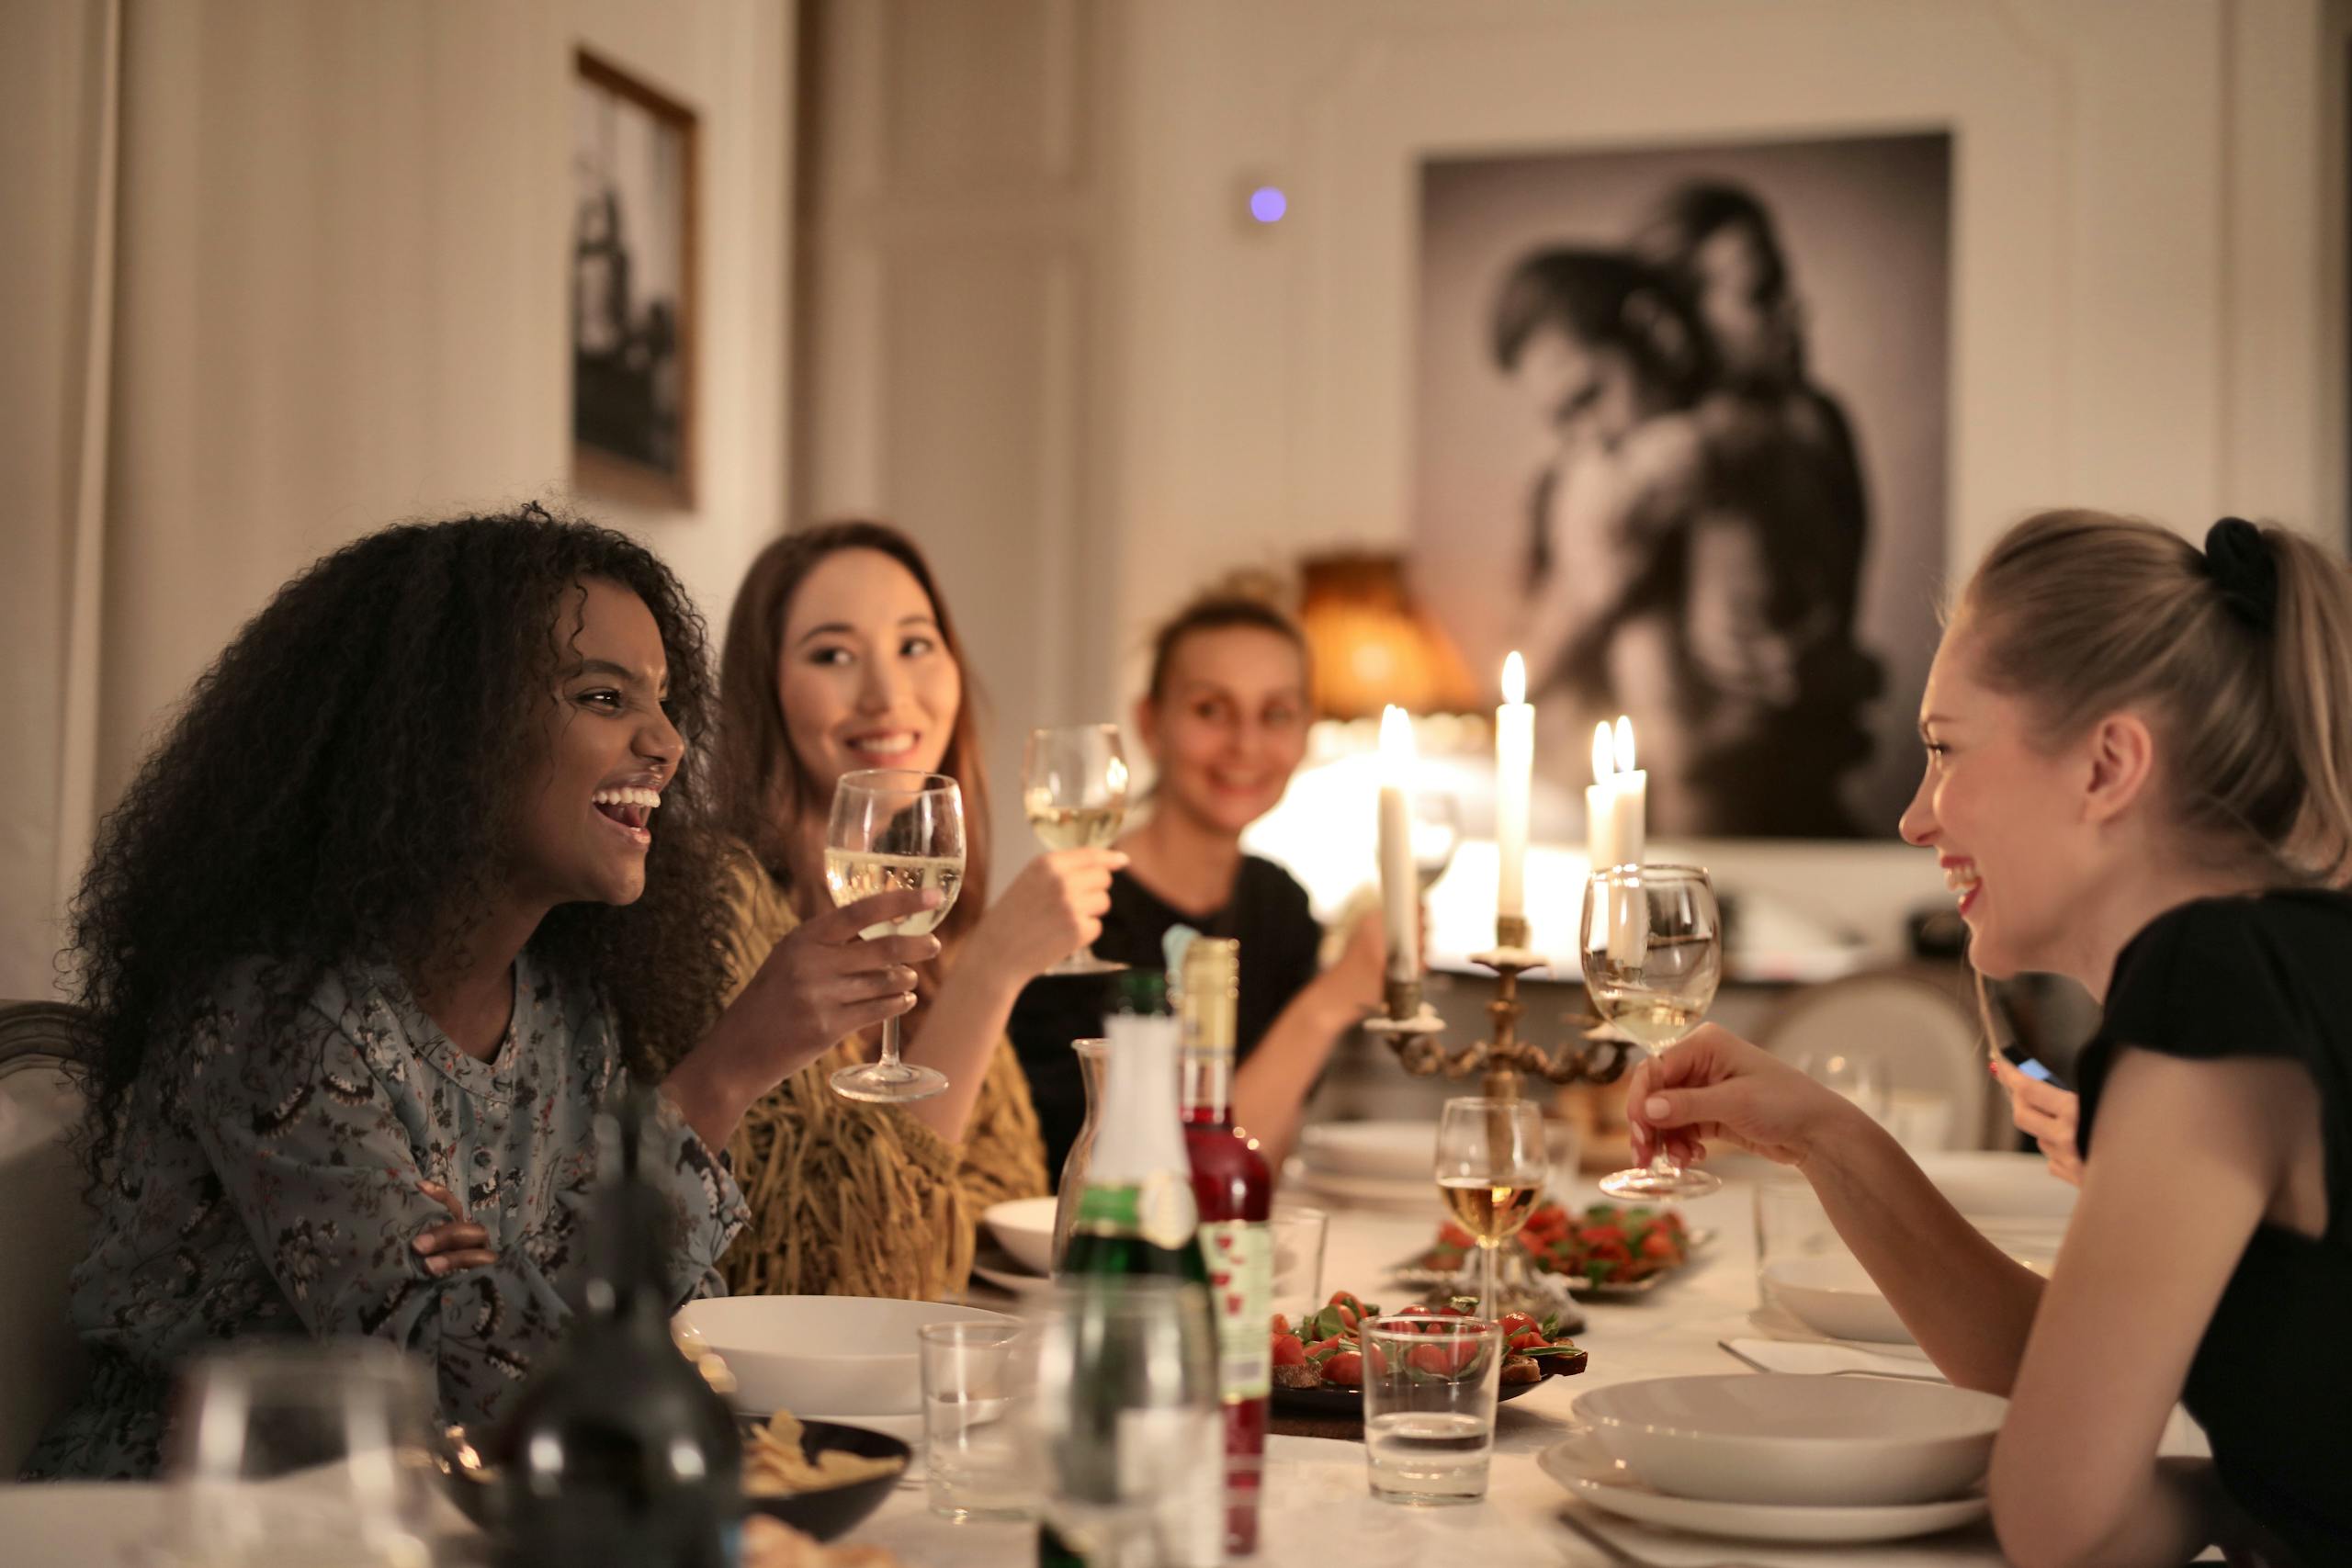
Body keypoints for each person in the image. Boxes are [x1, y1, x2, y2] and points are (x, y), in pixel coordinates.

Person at [23, 509, 931, 1480]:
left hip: (437, 1515)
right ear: (445, 729)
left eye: (663, 702)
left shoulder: (564, 1008)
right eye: (602, 696)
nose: (667, 743)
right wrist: (723, 1077)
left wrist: (510, 1280)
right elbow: (471, 1379)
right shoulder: (272, 1014)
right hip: (191, 1525)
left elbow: (630, 1324)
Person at [1627, 512, 2352, 1565]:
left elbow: (2063, 1521)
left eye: (1942, 750)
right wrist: (1827, 1137)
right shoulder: (2283, 967)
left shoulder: (2217, 983)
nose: (1915, 820)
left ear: (2107, 765)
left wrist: (2244, 1506)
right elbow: (2075, 1373)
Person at [708, 521, 1098, 1299]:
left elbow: (1001, 1197)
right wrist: (993, 972)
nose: (888, 695)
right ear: (766, 690)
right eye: (833, 655)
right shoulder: (723, 903)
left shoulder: (926, 917)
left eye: (915, 645)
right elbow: (849, 1271)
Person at [1495, 243, 1875, 836]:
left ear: (1654, 332)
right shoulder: (1571, 482)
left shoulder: (1766, 444)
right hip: (1598, 841)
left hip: (1768, 834)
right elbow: (1517, 667)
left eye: (1590, 395)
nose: (1587, 435)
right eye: (1561, 419)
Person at [1009, 588, 1385, 1174]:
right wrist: (1330, 1004)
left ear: (1307, 730)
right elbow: (1148, 1184)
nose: (1246, 745)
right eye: (1211, 710)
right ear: (1149, 723)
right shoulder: (1076, 918)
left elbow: (1262, 1157)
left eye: (1276, 714)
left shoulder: (1278, 905)